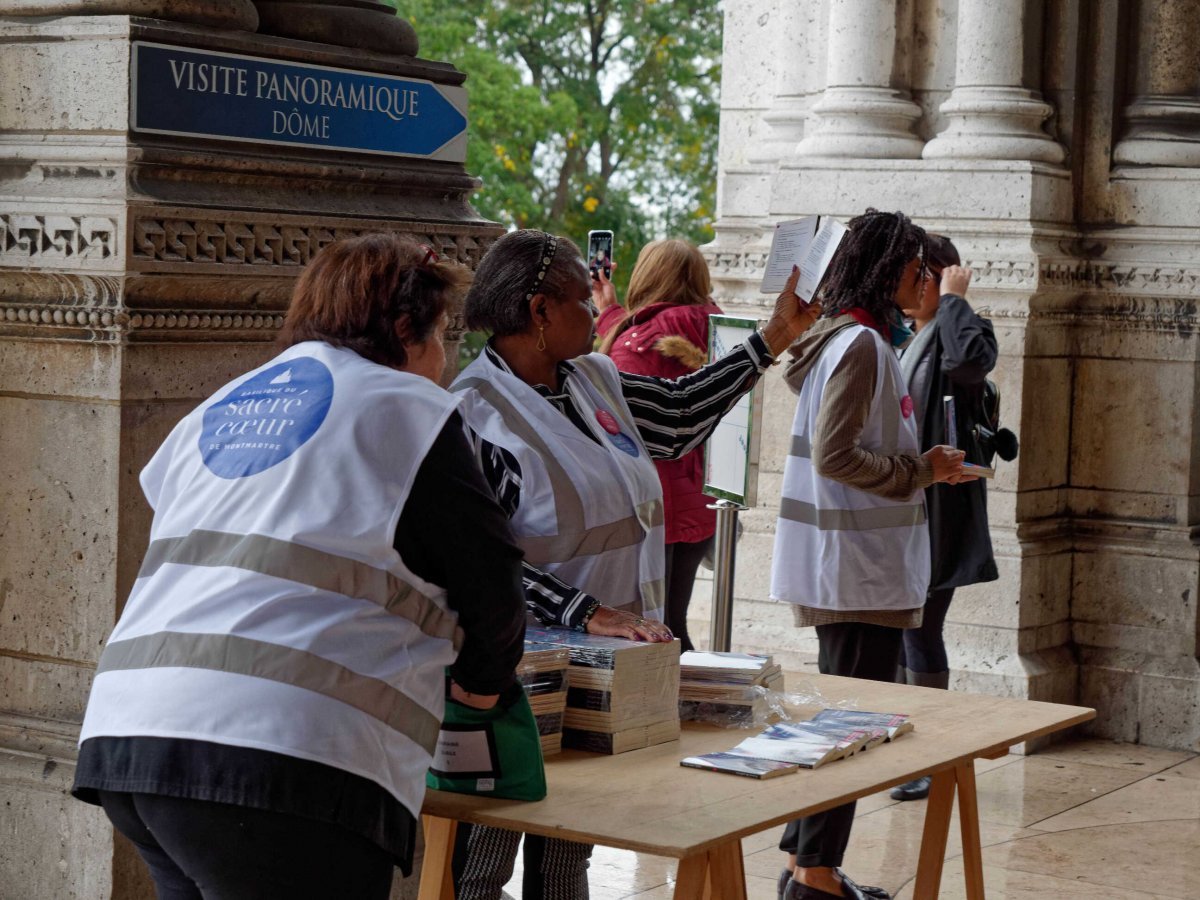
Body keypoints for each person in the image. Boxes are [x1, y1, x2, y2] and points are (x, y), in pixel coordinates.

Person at [70, 235, 528, 900]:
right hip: (281, 758)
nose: (444, 362)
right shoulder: (404, 408)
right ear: (405, 331)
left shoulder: (228, 403)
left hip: (132, 737)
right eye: (441, 339)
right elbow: (491, 576)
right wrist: (483, 684)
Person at [450, 228, 821, 900]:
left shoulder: (592, 378)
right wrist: (585, 614)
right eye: (579, 301)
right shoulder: (476, 413)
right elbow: (476, 560)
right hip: (518, 673)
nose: (597, 311)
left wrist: (770, 340)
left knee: (571, 844)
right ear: (539, 311)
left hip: (606, 671)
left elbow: (677, 417)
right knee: (487, 853)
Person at [769, 210, 977, 900]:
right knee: (851, 726)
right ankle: (817, 875)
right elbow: (836, 456)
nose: (924, 280)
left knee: (841, 722)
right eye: (917, 269)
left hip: (850, 565)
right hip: (855, 568)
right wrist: (922, 469)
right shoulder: (860, 345)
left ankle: (806, 864)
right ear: (891, 270)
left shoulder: (847, 339)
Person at [889, 235, 999, 802]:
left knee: (922, 627)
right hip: (908, 503)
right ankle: (911, 749)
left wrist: (956, 300)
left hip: (941, 508)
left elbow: (967, 364)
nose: (911, 285)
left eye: (921, 274)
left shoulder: (961, 329)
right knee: (908, 627)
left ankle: (930, 757)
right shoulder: (906, 336)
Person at [595, 239, 724, 651]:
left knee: (654, 626)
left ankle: (674, 706)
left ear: (648, 276)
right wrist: (612, 314)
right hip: (699, 497)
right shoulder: (720, 326)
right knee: (674, 617)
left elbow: (615, 401)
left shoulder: (638, 339)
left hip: (653, 502)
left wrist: (614, 321)